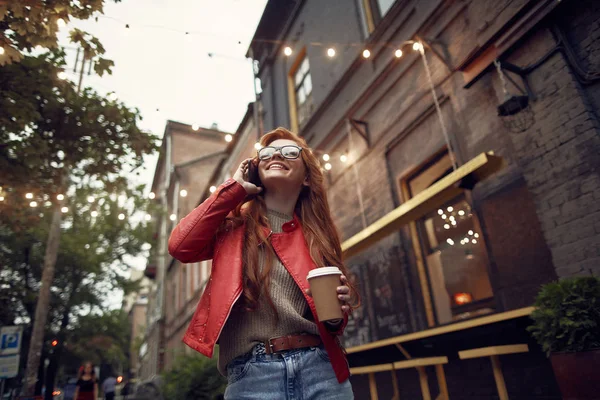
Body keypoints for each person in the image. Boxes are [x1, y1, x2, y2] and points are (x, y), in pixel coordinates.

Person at [169, 127, 359, 399]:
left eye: (289, 152)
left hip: (322, 370)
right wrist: (233, 190)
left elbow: (332, 322)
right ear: (257, 169)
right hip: (253, 376)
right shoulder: (233, 227)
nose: (276, 155)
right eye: (267, 153)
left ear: (306, 177)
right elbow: (180, 246)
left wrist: (339, 308)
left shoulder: (318, 235)